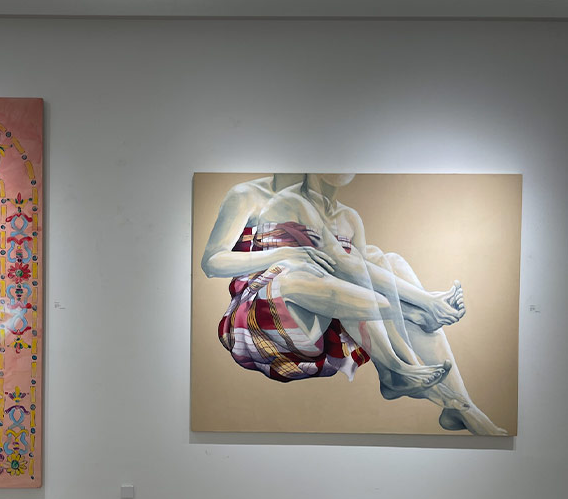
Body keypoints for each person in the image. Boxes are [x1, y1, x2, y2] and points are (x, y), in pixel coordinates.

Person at [201, 173, 504, 435]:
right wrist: (282, 254)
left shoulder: (344, 216)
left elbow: (356, 268)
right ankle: (406, 354)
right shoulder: (253, 195)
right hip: (268, 309)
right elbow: (212, 262)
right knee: (337, 271)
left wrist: (422, 299)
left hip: (335, 315)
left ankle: (460, 405)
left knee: (383, 259)